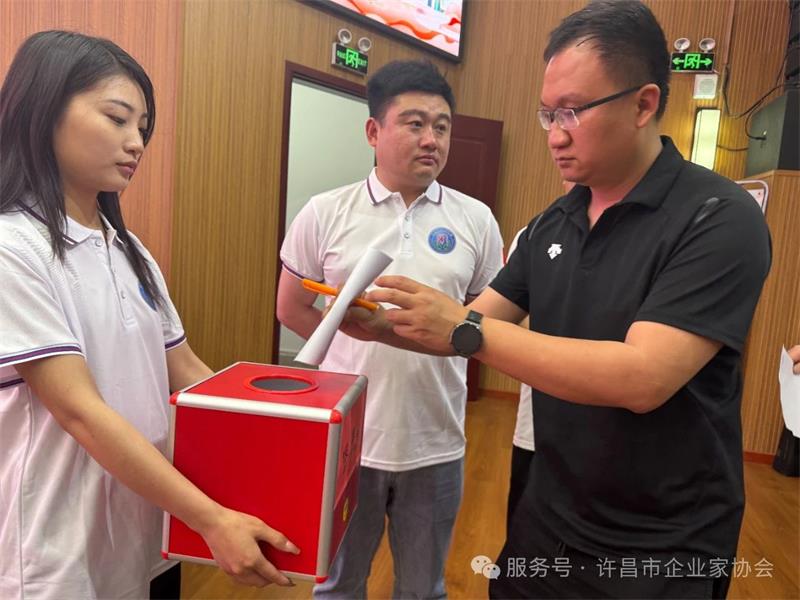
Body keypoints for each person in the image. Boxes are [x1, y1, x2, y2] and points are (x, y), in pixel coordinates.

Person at [343, 2, 772, 598]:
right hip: (549, 516)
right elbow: (472, 324)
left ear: (643, 104)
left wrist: (464, 328)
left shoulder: (718, 217)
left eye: (573, 111)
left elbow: (643, 377)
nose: (555, 133)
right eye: (548, 113)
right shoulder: (554, 222)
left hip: (663, 541)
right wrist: (381, 326)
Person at [0, 31, 299, 599]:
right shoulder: (13, 247)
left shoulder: (128, 249)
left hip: (147, 529)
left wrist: (282, 434)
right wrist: (211, 518)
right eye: (117, 119)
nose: (136, 142)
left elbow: (186, 371)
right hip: (55, 552)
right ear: (44, 111)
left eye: (143, 127)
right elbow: (81, 411)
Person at [276, 59, 503, 598]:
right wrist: (345, 341)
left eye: (442, 126)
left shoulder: (476, 219)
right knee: (337, 585)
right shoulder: (325, 211)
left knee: (424, 589)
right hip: (348, 440)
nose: (431, 140)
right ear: (373, 131)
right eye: (415, 123)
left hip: (436, 439)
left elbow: (490, 324)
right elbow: (292, 308)